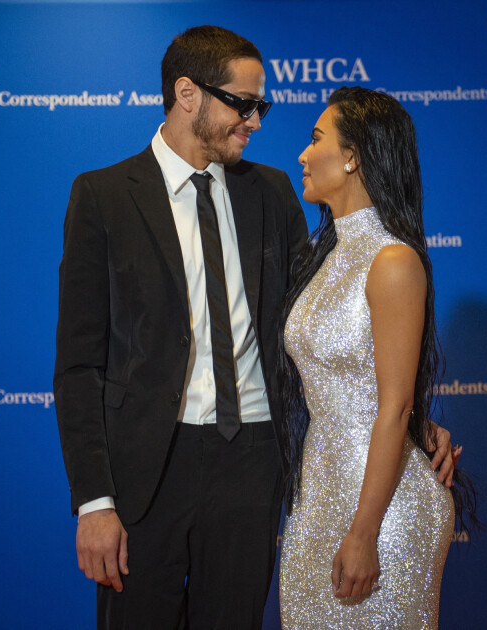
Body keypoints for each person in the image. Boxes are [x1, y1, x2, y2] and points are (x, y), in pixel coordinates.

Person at [54, 26, 457, 630]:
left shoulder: (270, 192)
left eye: (260, 105)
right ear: (188, 95)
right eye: (244, 104)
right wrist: (94, 501)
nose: (258, 121)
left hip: (252, 464)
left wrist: (408, 416)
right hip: (144, 474)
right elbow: (79, 366)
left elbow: (322, 320)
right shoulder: (104, 196)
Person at [279, 87, 462, 628]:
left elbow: (394, 403)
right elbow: (351, 381)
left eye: (316, 140)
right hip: (319, 499)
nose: (302, 155)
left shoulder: (392, 260)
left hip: (382, 513)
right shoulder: (327, 255)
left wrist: (364, 532)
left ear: (354, 156)